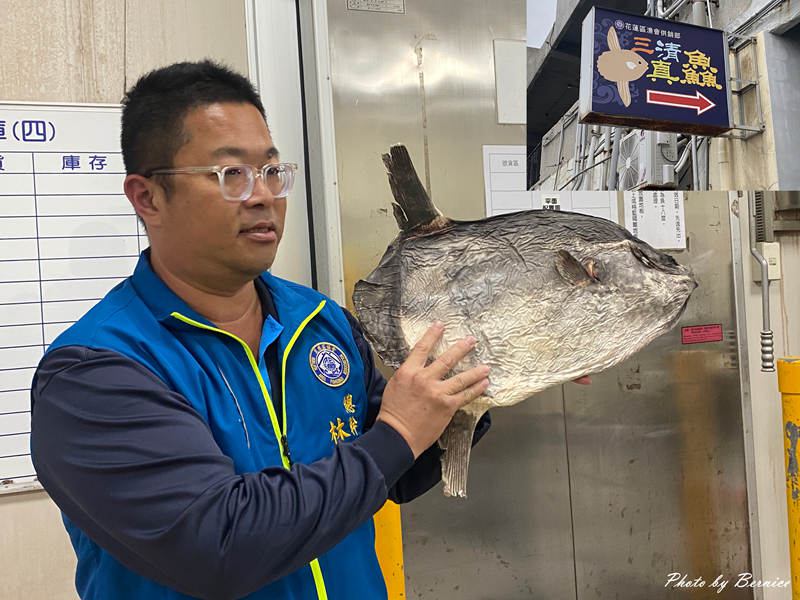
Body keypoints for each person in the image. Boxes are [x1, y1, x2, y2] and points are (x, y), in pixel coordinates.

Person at [29, 60, 493, 600]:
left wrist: (492, 375)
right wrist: (397, 434)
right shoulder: (94, 374)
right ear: (147, 197)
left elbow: (397, 474)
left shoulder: (319, 321)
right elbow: (223, 546)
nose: (262, 195)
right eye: (231, 175)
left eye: (272, 172)